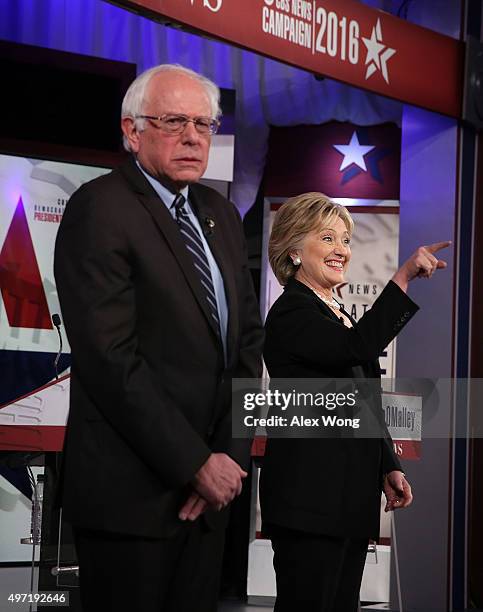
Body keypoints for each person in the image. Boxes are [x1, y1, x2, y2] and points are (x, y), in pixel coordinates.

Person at [54, 64, 263, 612]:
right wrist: (195, 462)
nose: (193, 137)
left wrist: (226, 459)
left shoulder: (220, 212)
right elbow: (110, 359)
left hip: (211, 494)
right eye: (174, 121)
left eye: (204, 123)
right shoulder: (100, 208)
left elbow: (247, 348)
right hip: (132, 500)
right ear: (131, 131)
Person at [259, 192, 450, 612]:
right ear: (293, 249)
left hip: (345, 498)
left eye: (345, 240)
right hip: (309, 501)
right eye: (327, 239)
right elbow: (357, 347)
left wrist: (388, 465)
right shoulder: (292, 311)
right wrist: (402, 277)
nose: (341, 250)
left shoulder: (335, 311)